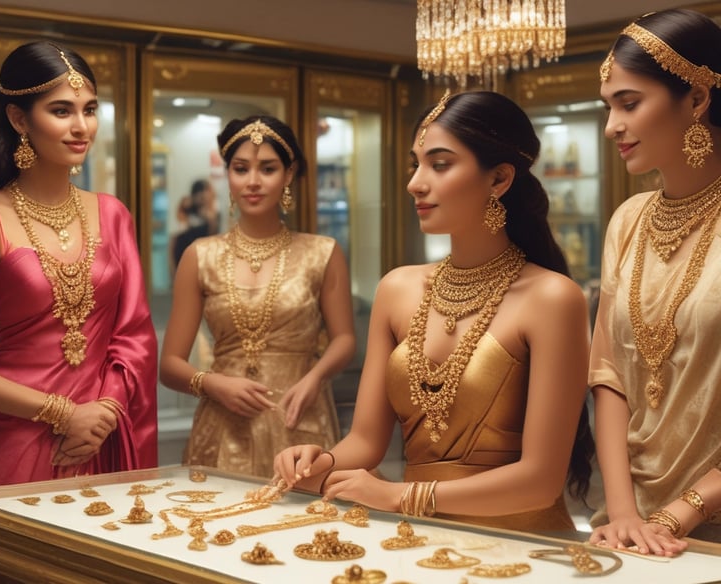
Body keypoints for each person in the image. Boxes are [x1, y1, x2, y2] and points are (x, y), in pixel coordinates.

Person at [274, 90, 595, 533]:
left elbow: (539, 481)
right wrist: (319, 460)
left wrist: (398, 495)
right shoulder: (397, 288)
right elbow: (366, 441)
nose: (415, 183)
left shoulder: (553, 298)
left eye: (440, 165)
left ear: (499, 179)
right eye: (416, 163)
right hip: (415, 538)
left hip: (522, 547)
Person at [0, 40, 158, 488]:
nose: (82, 127)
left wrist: (102, 413)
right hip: (16, 434)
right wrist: (63, 413)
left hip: (103, 432)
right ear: (19, 118)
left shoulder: (112, 213)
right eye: (62, 111)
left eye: (91, 109)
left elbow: (134, 337)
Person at [588, 9, 721, 555]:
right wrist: (624, 514)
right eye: (608, 107)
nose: (611, 125)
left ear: (695, 98)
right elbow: (609, 373)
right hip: (629, 528)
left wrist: (677, 515)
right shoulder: (628, 219)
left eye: (629, 103)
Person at [160, 115, 356, 478]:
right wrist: (214, 384)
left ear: (287, 174)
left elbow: (344, 339)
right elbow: (170, 365)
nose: (252, 181)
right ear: (228, 174)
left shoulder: (322, 252)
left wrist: (315, 378)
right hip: (222, 425)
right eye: (240, 168)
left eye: (267, 168)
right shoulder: (200, 256)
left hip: (300, 418)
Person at [170, 178, 220, 275]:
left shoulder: (213, 215)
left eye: (207, 191)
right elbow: (176, 236)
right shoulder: (186, 208)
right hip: (184, 254)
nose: (204, 196)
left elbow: (213, 237)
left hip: (204, 259)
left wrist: (210, 219)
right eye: (200, 192)